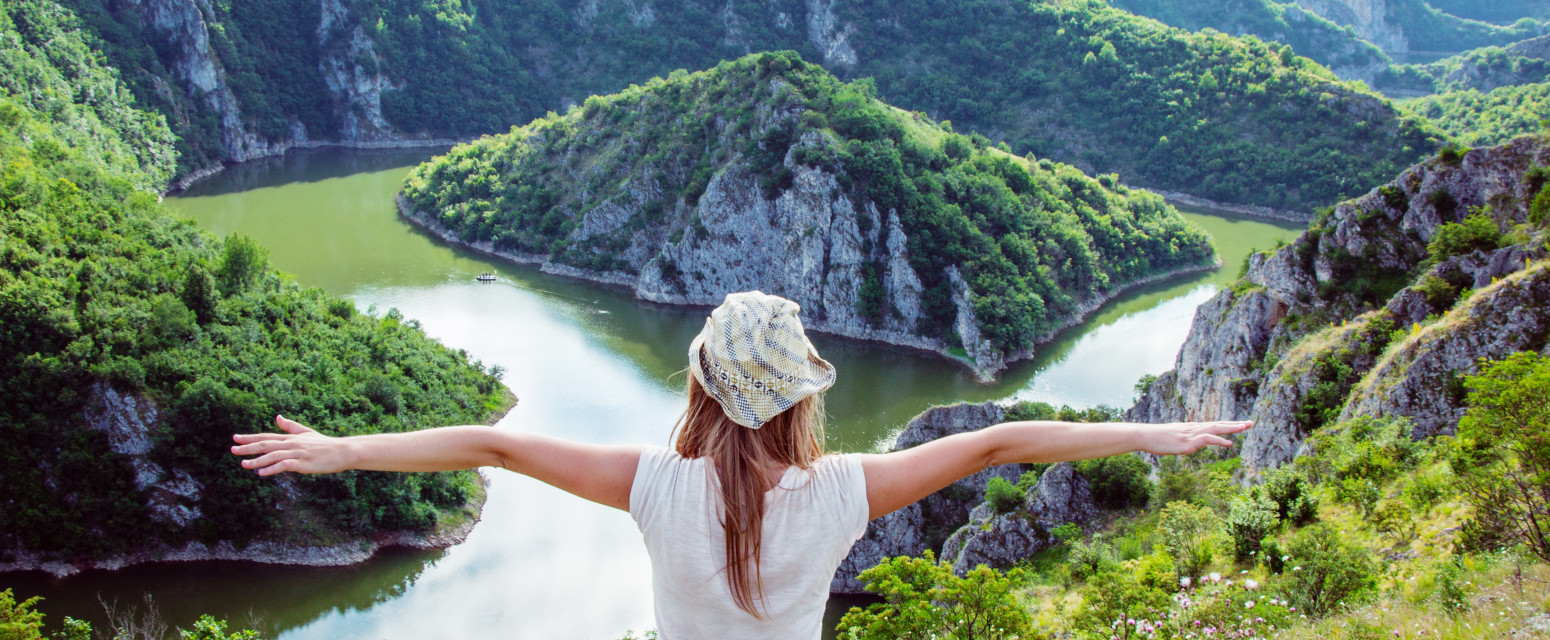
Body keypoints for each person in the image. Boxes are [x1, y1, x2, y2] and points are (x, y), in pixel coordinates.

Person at [232, 291, 1249, 639]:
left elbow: (492, 443)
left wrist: (342, 452)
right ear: (802, 396)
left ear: (701, 388)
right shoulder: (846, 489)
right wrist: (1157, 435)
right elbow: (996, 443)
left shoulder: (647, 483)